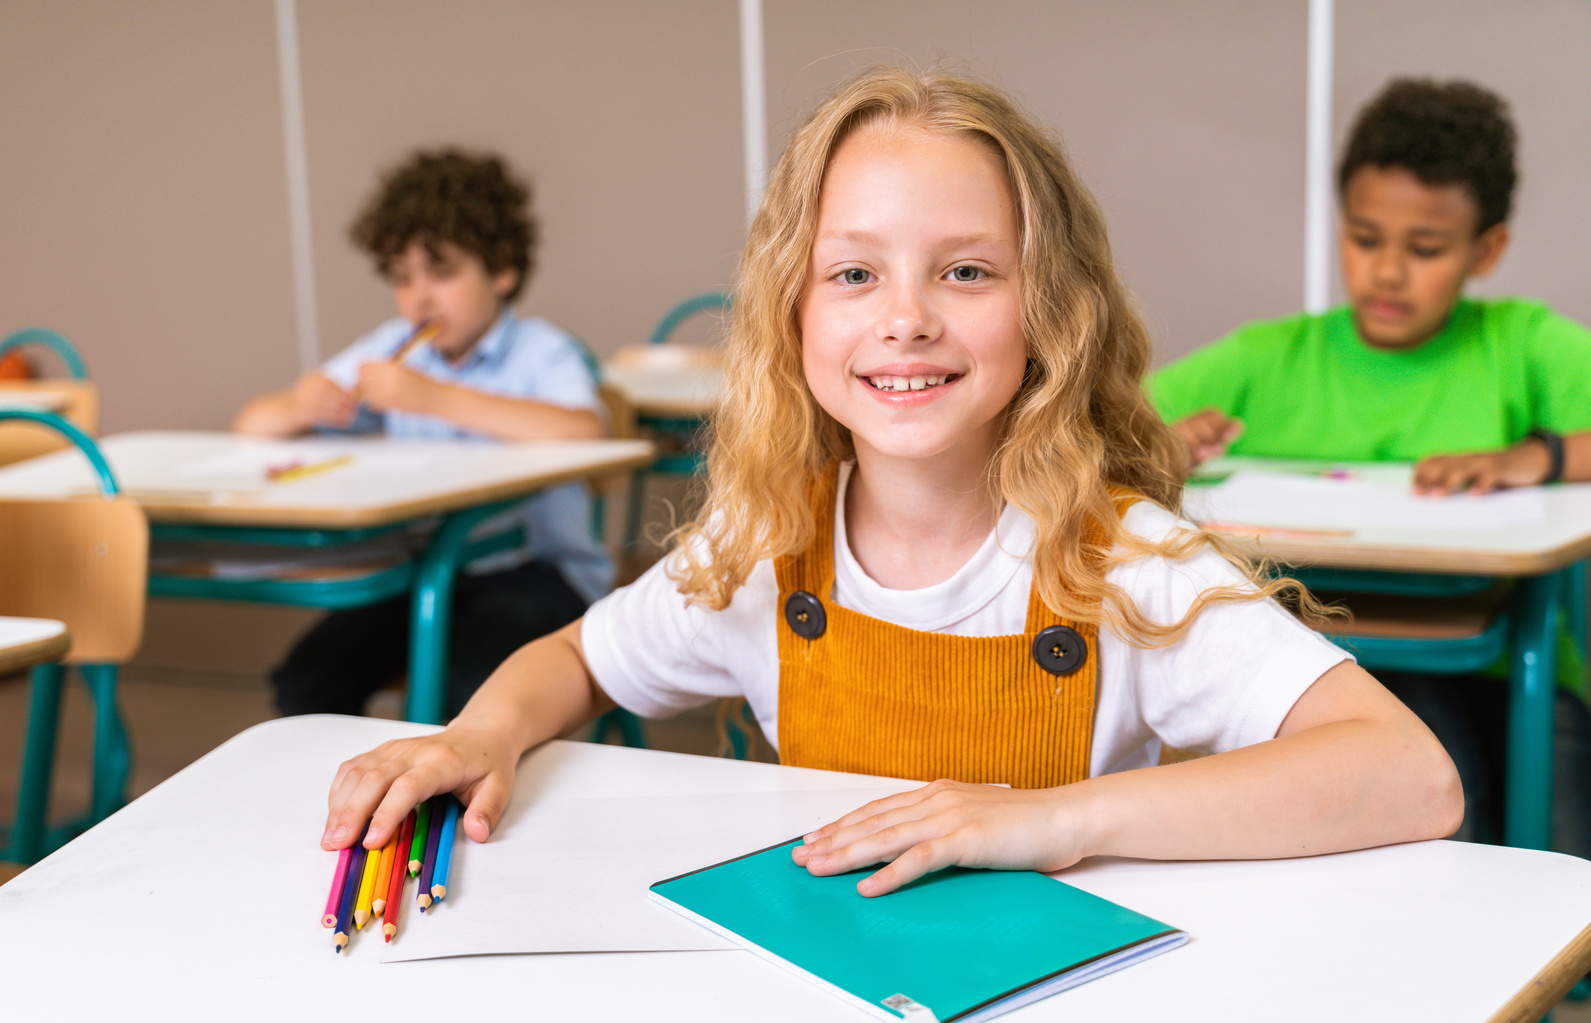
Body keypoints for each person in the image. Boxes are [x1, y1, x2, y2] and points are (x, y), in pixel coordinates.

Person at [320, 69, 1460, 897]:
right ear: (794, 314)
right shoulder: (765, 544)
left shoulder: (1120, 557)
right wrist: (480, 731)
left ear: (1047, 313)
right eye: (854, 272)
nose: (905, 316)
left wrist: (1054, 819)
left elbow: (1409, 775)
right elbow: (577, 656)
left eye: (965, 270)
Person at [1149, 78, 1591, 858]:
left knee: (1559, 862)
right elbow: (1094, 430)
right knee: (1444, 823)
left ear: (1484, 250)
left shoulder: (1520, 344)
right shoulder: (1268, 357)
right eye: (1363, 237)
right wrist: (1158, 444)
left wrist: (1538, 456)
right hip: (1330, 647)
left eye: (1424, 249)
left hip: (1507, 654)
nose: (1387, 271)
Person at [235, 148, 610, 719]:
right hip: (426, 572)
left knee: (468, 688)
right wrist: (297, 404)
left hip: (540, 576)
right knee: (309, 680)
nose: (420, 298)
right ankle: (352, 803)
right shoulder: (392, 344)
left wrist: (434, 398)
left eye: (443, 273)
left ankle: (448, 801)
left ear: (502, 269)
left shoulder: (541, 350)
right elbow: (252, 426)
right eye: (402, 278)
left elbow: (584, 434)